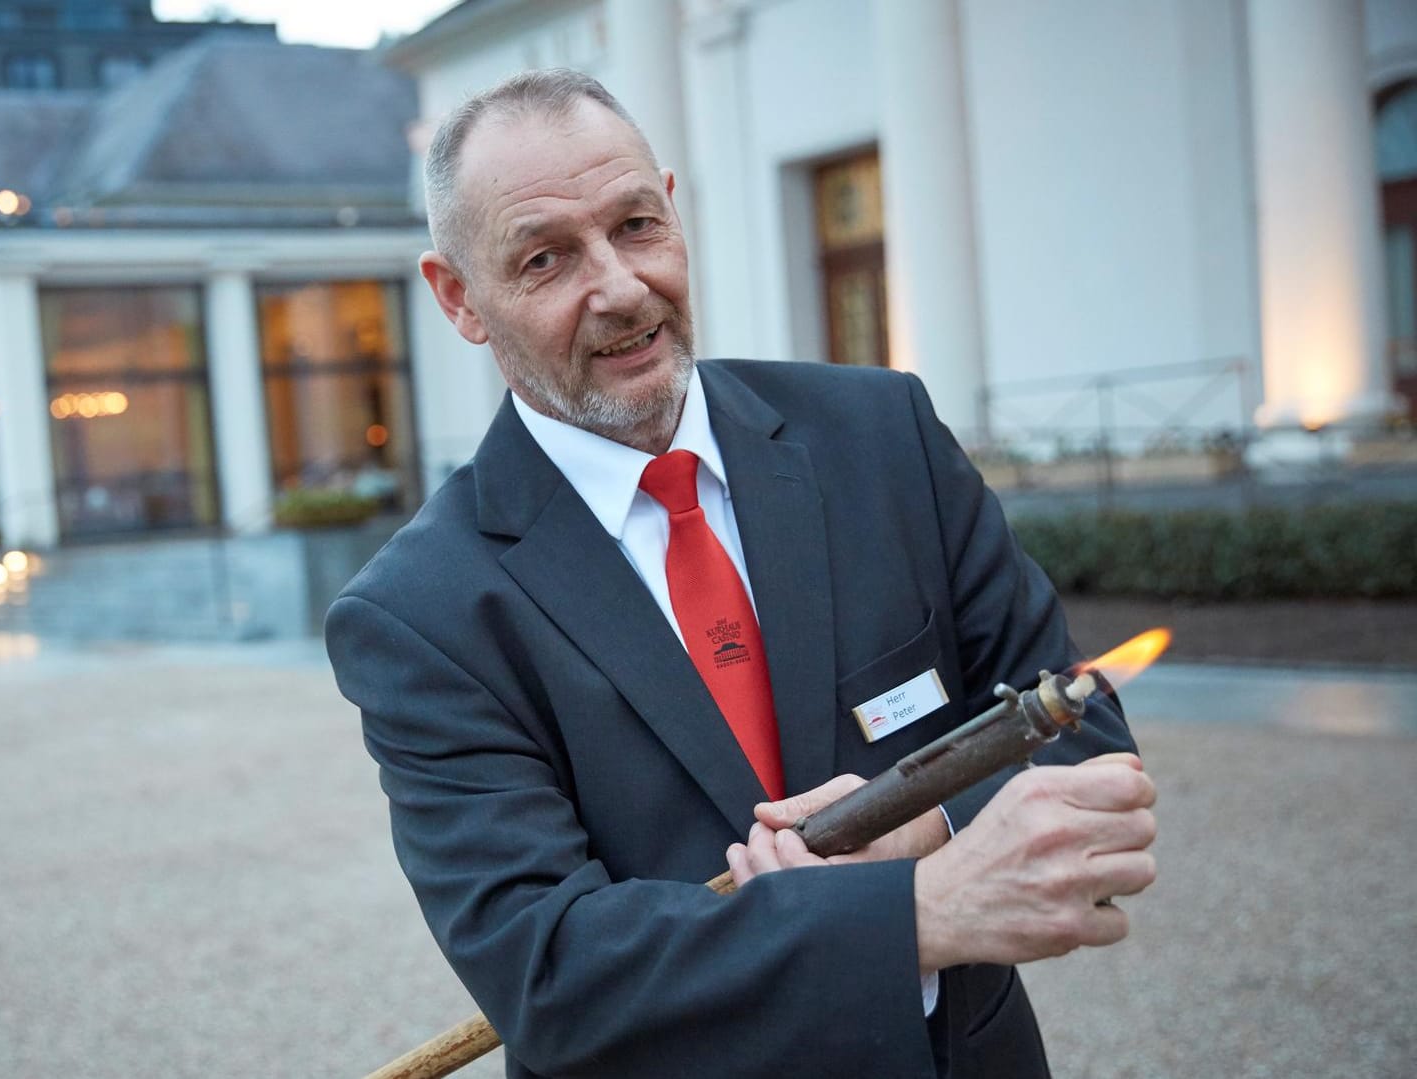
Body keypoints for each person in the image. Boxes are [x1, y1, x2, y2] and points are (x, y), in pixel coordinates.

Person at [324, 69, 1156, 1079]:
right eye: (546, 258)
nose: (622, 286)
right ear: (459, 296)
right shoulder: (421, 612)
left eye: (635, 225)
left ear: (672, 206)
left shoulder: (883, 437)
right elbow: (553, 973)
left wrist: (925, 825)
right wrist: (914, 916)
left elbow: (1083, 726)